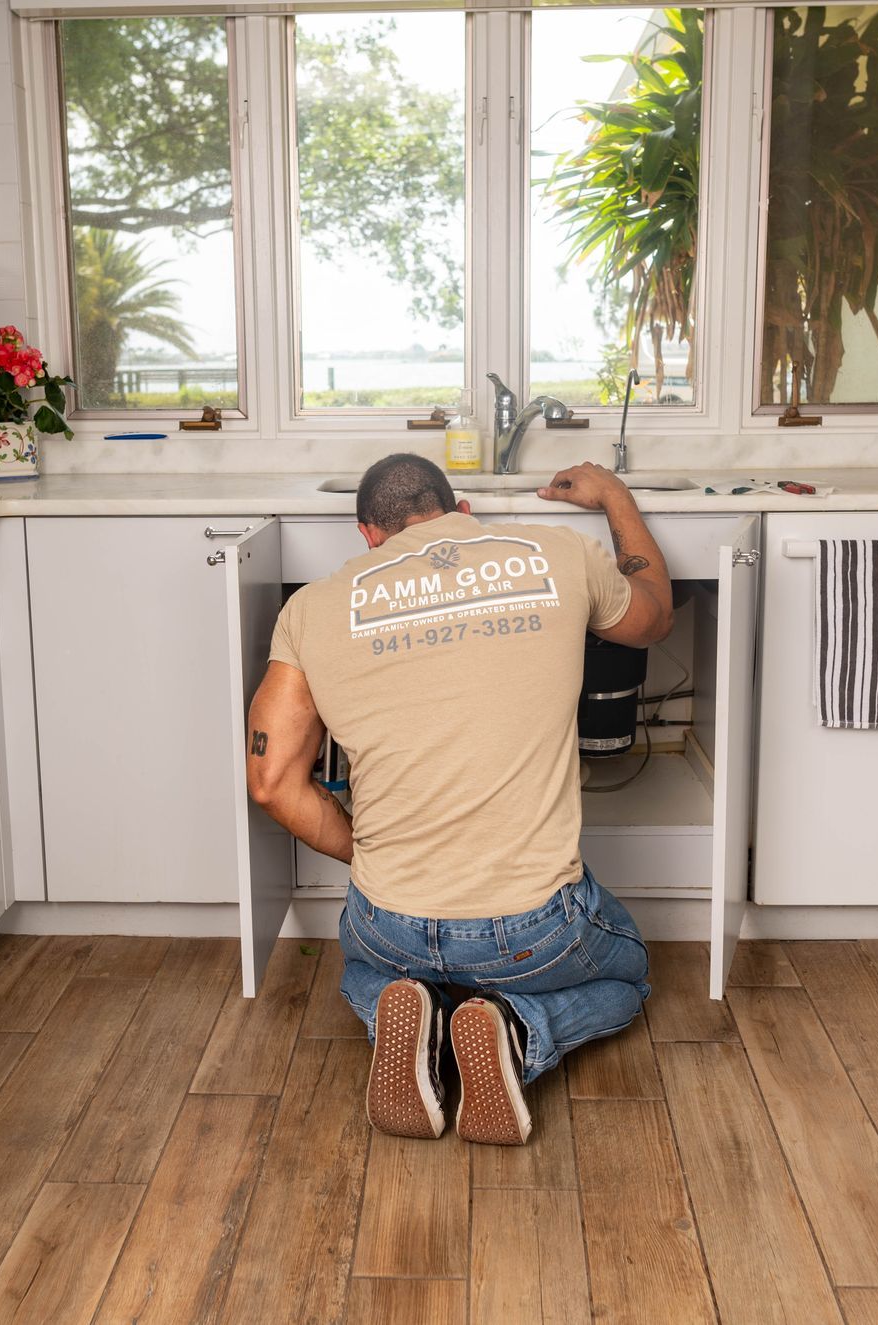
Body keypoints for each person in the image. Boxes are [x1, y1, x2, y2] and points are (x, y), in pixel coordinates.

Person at [245, 453, 674, 1145]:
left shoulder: (312, 610)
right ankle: (517, 1029)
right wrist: (615, 496)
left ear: (367, 534)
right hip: (531, 929)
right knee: (630, 980)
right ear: (462, 510)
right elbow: (654, 617)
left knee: (363, 968)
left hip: (392, 920)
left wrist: (369, 850)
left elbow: (270, 782)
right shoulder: (558, 552)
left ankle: (406, 1016)